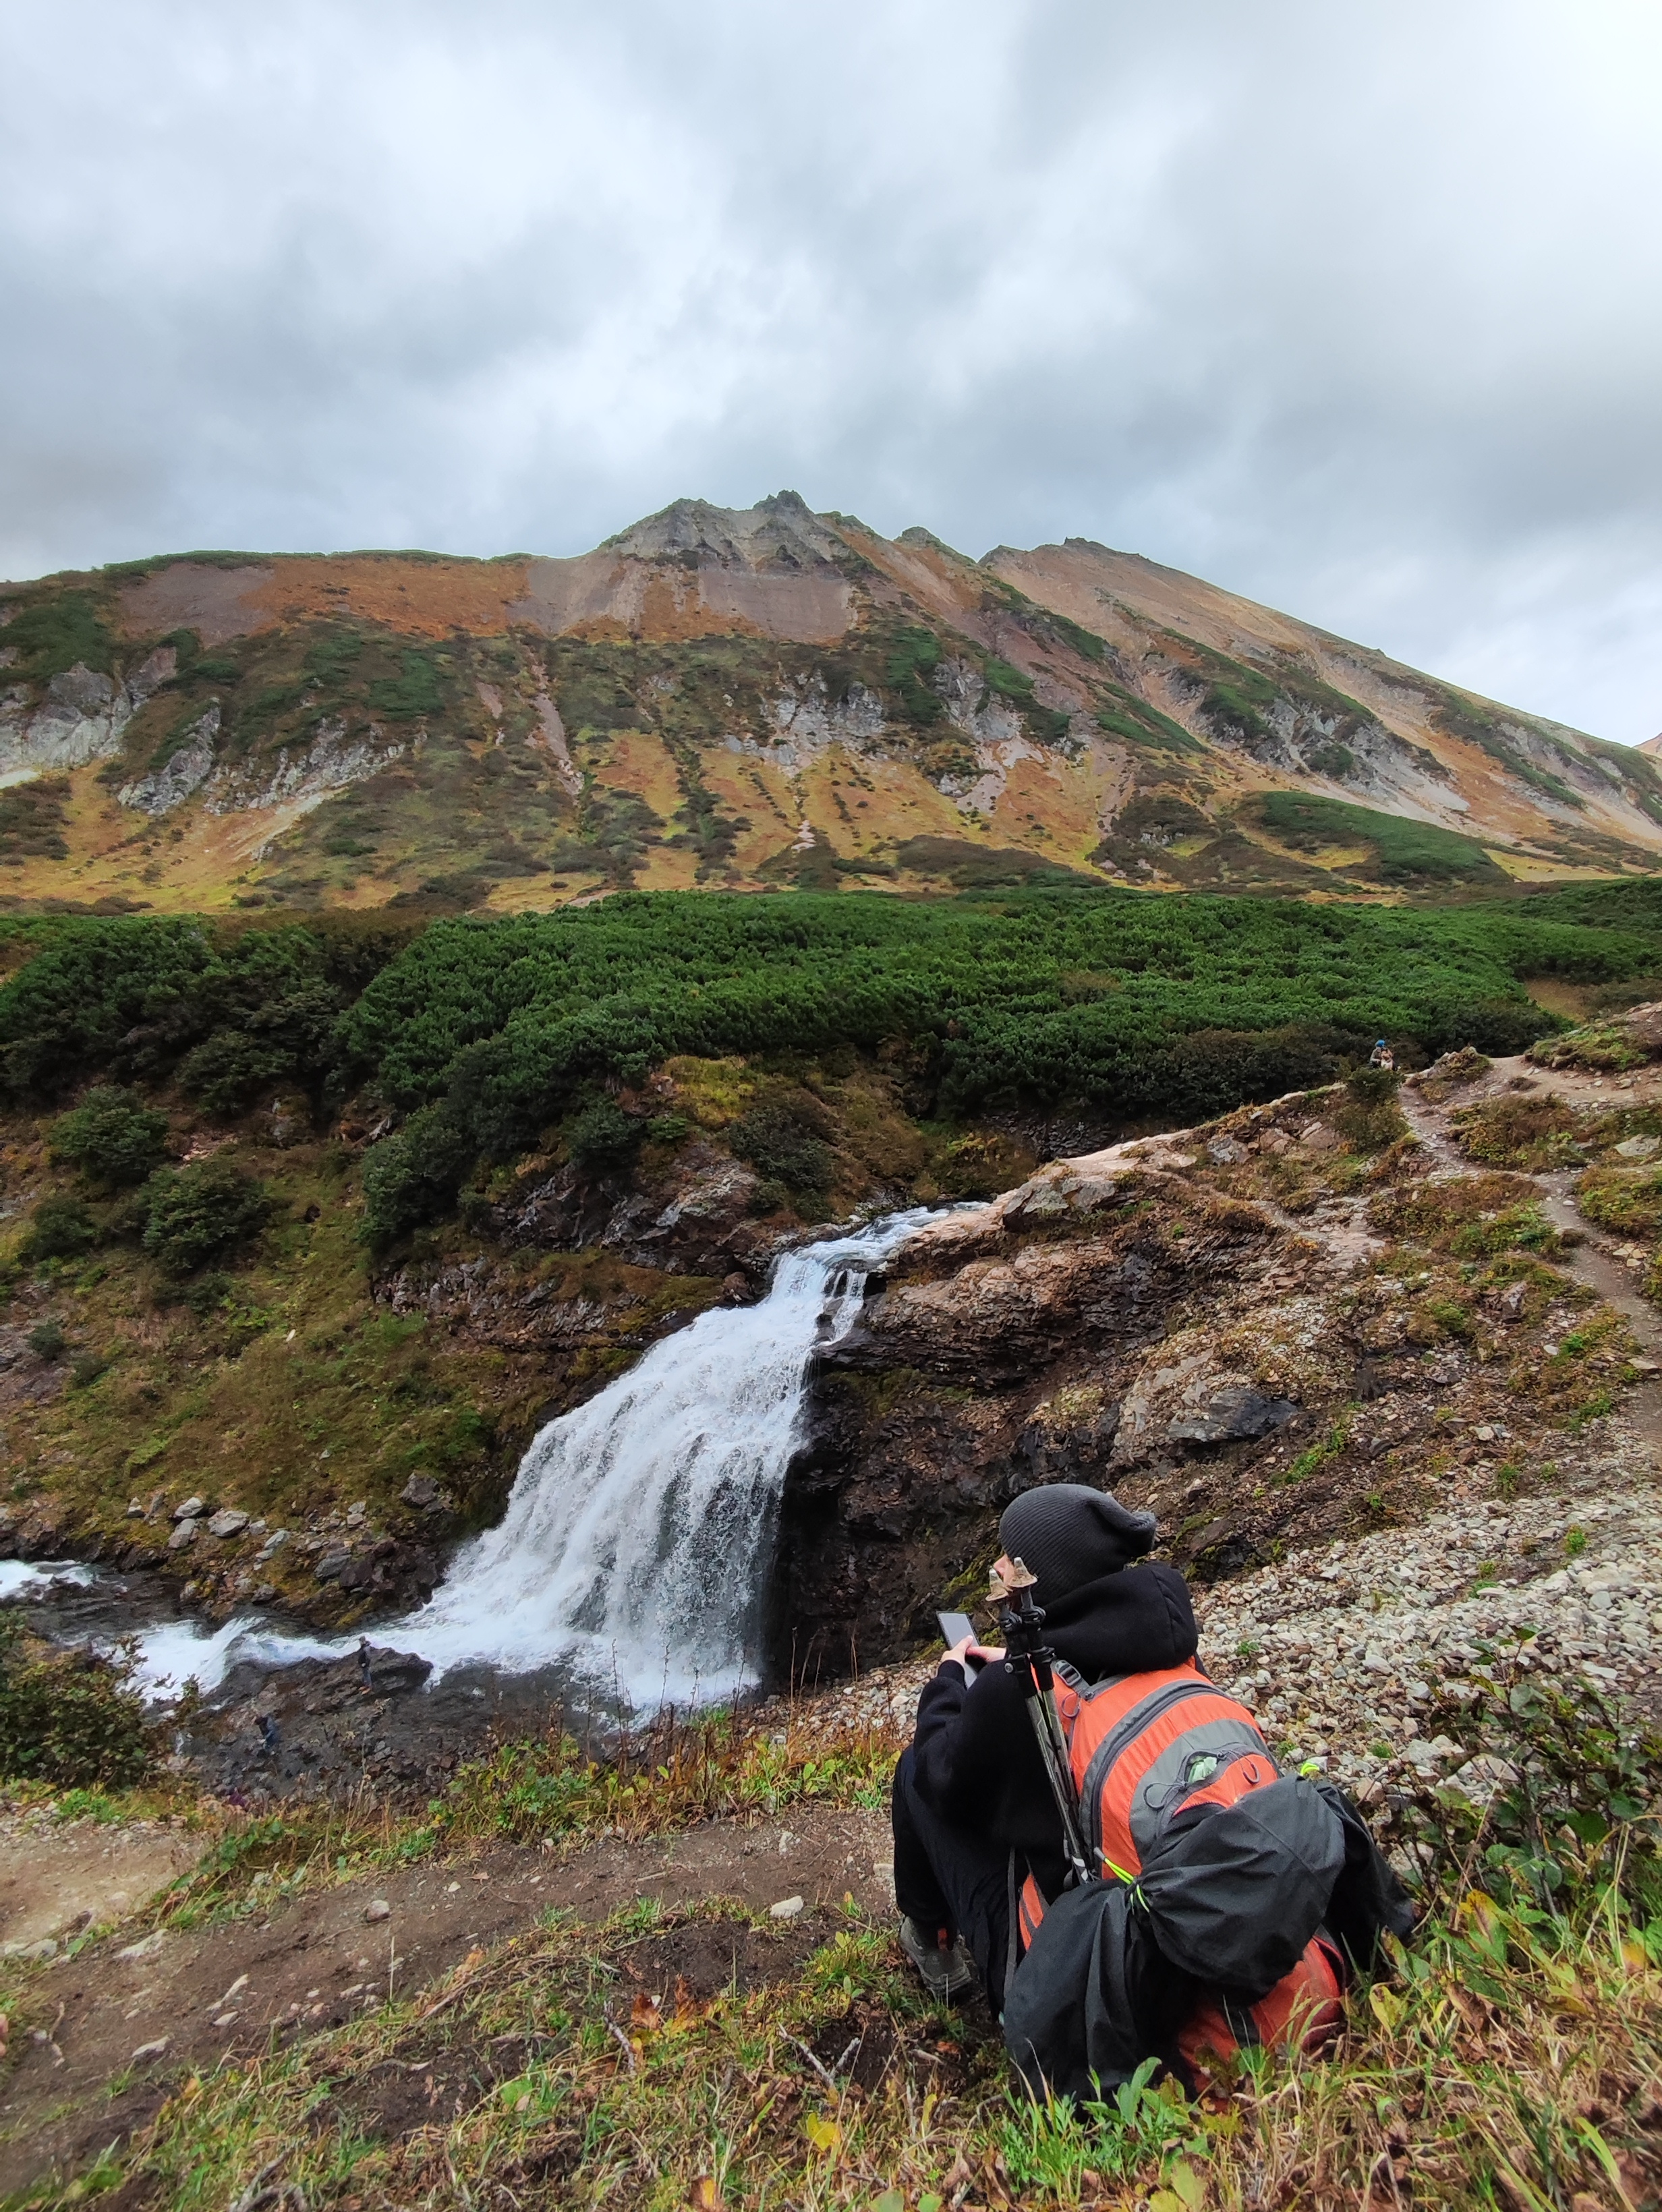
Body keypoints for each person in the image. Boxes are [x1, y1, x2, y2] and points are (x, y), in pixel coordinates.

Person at [892, 1482, 1193, 2008]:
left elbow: (942, 1776)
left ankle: (932, 1943)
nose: (998, 1567)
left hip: (1069, 1975)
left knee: (915, 1766)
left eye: (1009, 1557)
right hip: (1174, 1913)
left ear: (1042, 1576)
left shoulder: (1020, 1691)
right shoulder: (1174, 1650)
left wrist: (949, 1682)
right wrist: (1017, 1659)